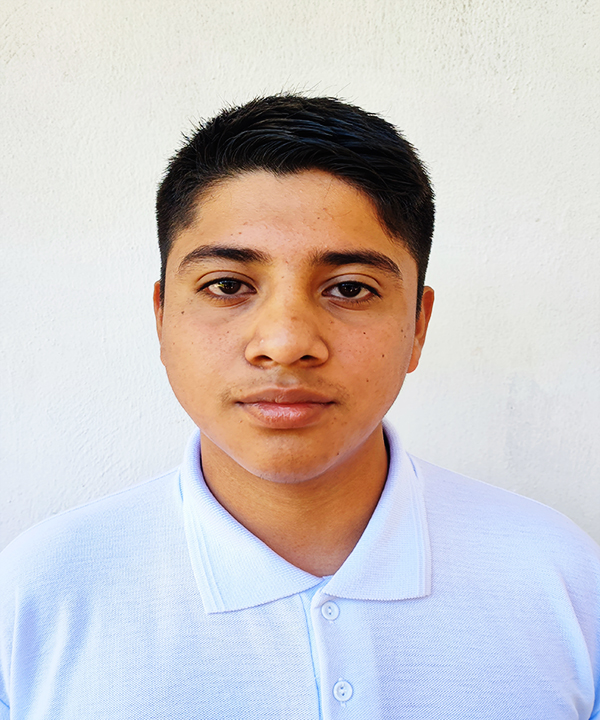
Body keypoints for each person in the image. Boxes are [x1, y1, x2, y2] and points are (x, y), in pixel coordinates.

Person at [1, 95, 598, 719]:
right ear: (161, 317)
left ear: (418, 326)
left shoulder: (561, 580)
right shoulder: (38, 594)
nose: (286, 343)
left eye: (350, 288)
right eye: (227, 285)